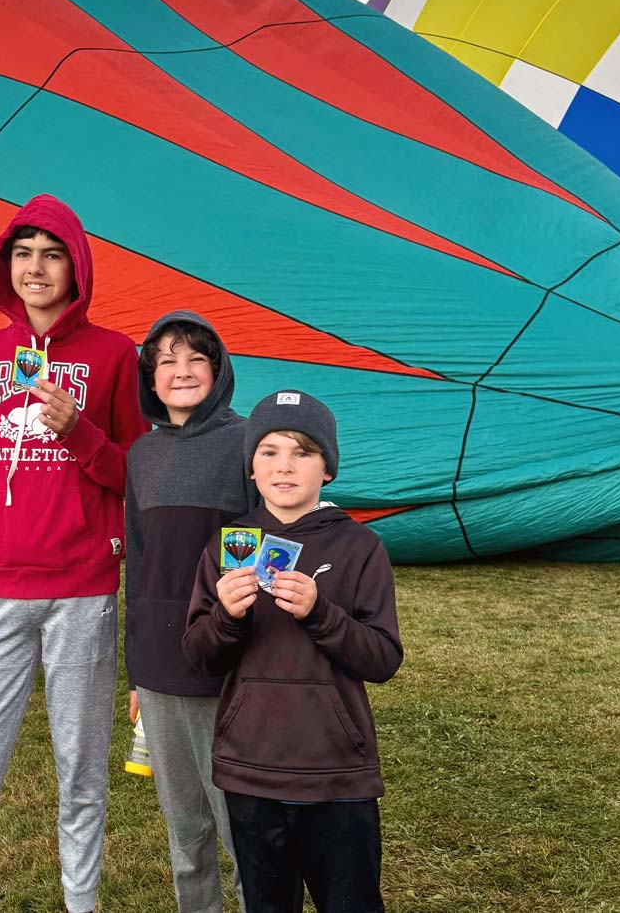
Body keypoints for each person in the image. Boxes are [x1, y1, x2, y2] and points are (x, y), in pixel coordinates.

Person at [0, 194, 147, 913]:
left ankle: (82, 904)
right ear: (5, 264)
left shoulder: (114, 353)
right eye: (23, 253)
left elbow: (137, 474)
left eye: (52, 253)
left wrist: (77, 428)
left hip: (83, 591)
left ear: (76, 265)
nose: (37, 267)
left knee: (80, 771)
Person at [183, 391, 403, 913]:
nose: (285, 466)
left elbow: (382, 658)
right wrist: (226, 618)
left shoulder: (359, 547)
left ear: (327, 468)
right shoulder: (227, 546)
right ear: (251, 469)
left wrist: (320, 613)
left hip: (336, 771)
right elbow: (200, 655)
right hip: (250, 768)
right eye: (269, 451)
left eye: (303, 452)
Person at [125, 312, 256, 913]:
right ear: (149, 377)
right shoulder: (142, 456)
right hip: (159, 660)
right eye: (167, 361)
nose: (181, 372)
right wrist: (136, 667)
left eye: (195, 359)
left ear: (218, 368)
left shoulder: (249, 442)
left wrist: (247, 638)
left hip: (228, 654)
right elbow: (141, 561)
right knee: (184, 829)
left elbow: (264, 543)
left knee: (240, 821)